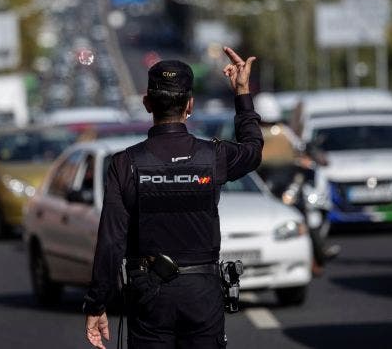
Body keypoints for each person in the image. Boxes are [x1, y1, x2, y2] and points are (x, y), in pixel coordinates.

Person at [84, 47, 263, 349]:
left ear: (147, 104)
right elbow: (253, 149)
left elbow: (111, 240)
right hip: (202, 294)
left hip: (149, 295)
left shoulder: (125, 163)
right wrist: (242, 94)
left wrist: (96, 304)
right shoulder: (214, 156)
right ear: (190, 105)